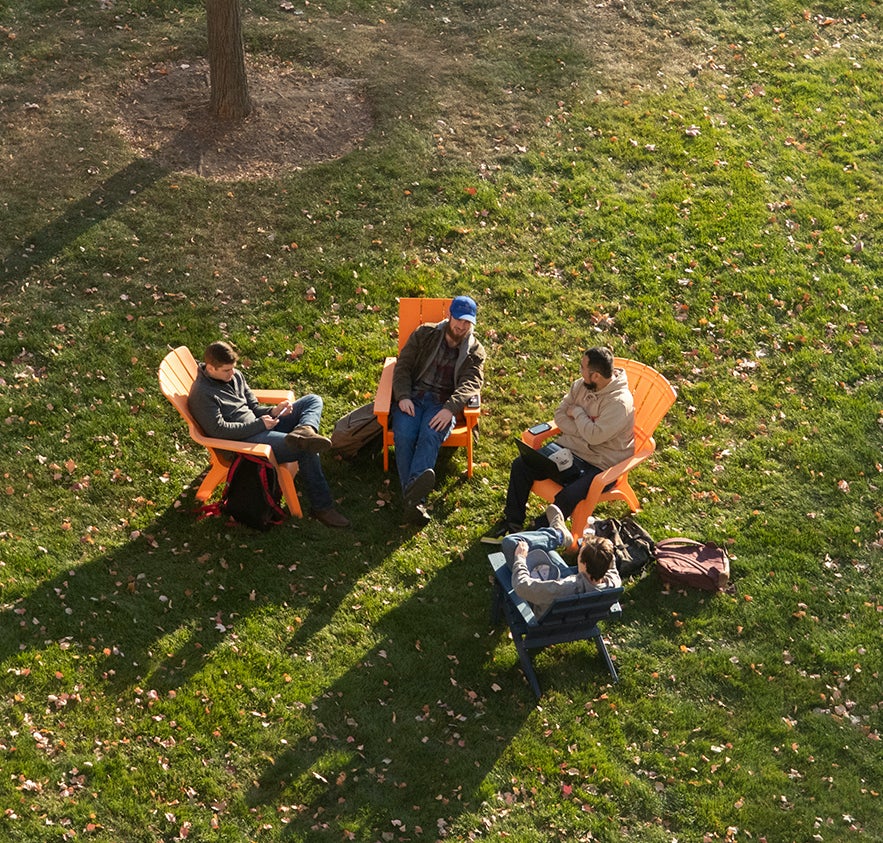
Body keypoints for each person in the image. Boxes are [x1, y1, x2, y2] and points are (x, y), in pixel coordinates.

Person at [188, 341, 350, 528]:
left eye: (233, 368)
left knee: (312, 400)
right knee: (306, 447)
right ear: (210, 367)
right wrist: (260, 424)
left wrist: (273, 411)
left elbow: (253, 407)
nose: (232, 374)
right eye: (226, 370)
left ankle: (304, 430)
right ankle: (322, 507)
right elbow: (219, 431)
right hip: (243, 443)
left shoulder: (234, 376)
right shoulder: (202, 394)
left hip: (260, 427)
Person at [483, 346, 634, 543]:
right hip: (571, 451)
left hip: (600, 465)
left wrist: (578, 414)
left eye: (582, 368)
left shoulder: (619, 403)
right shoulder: (581, 385)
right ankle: (512, 522)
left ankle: (535, 533)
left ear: (596, 375)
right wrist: (583, 429)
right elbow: (561, 415)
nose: (580, 371)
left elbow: (595, 437)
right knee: (522, 465)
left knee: (568, 496)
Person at [391, 295, 486, 523]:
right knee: (404, 433)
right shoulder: (425, 334)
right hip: (414, 397)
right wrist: (403, 396)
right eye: (459, 320)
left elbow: (471, 383)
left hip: (441, 404)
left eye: (467, 323)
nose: (462, 326)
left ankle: (411, 499)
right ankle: (415, 500)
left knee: (430, 434)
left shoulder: (475, 350)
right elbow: (402, 366)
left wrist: (450, 409)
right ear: (449, 316)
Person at [501, 505, 621, 617]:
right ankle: (557, 534)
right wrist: (597, 546)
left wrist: (520, 558)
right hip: (574, 619)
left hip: (545, 614)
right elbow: (610, 559)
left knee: (511, 543)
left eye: (580, 554)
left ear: (584, 563)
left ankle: (558, 535)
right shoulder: (614, 582)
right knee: (546, 551)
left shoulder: (563, 589)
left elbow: (521, 586)